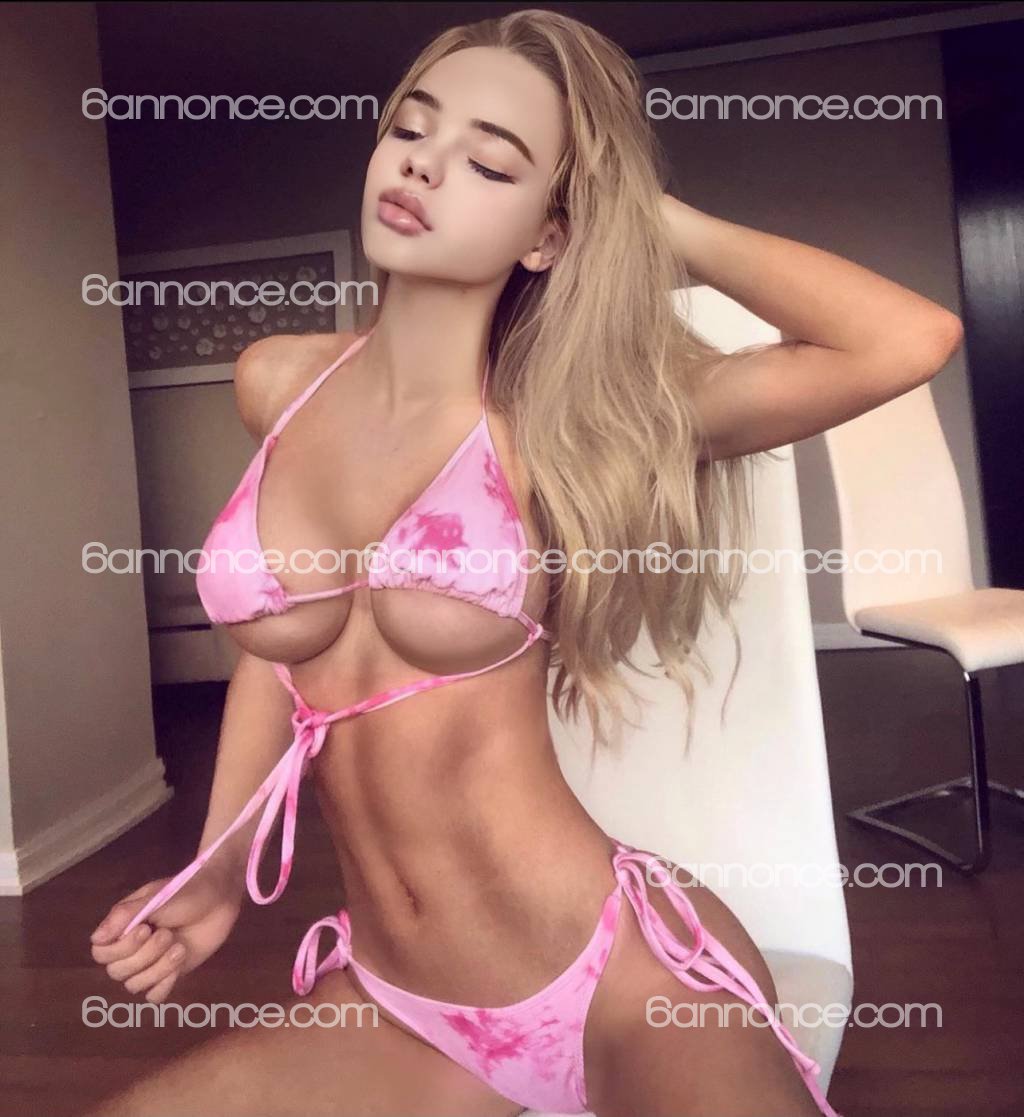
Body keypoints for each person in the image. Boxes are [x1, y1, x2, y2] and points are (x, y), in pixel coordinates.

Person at [85, 9, 962, 1116]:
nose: (423, 165)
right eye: (411, 129)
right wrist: (217, 870)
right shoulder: (279, 382)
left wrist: (645, 218)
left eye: (490, 163)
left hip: (615, 980)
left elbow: (906, 339)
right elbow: (277, 652)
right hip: (398, 1000)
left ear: (549, 233)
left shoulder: (565, 423)